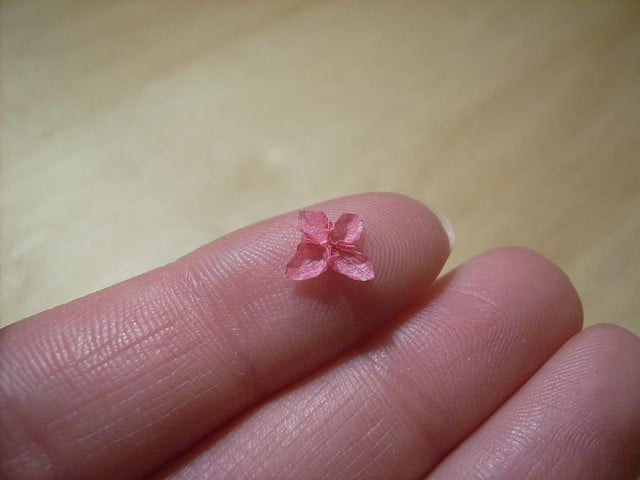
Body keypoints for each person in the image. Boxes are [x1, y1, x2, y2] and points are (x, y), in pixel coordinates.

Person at [1, 193, 639, 480]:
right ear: (319, 239)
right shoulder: (320, 252)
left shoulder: (344, 251)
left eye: (333, 241)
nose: (329, 243)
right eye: (325, 241)